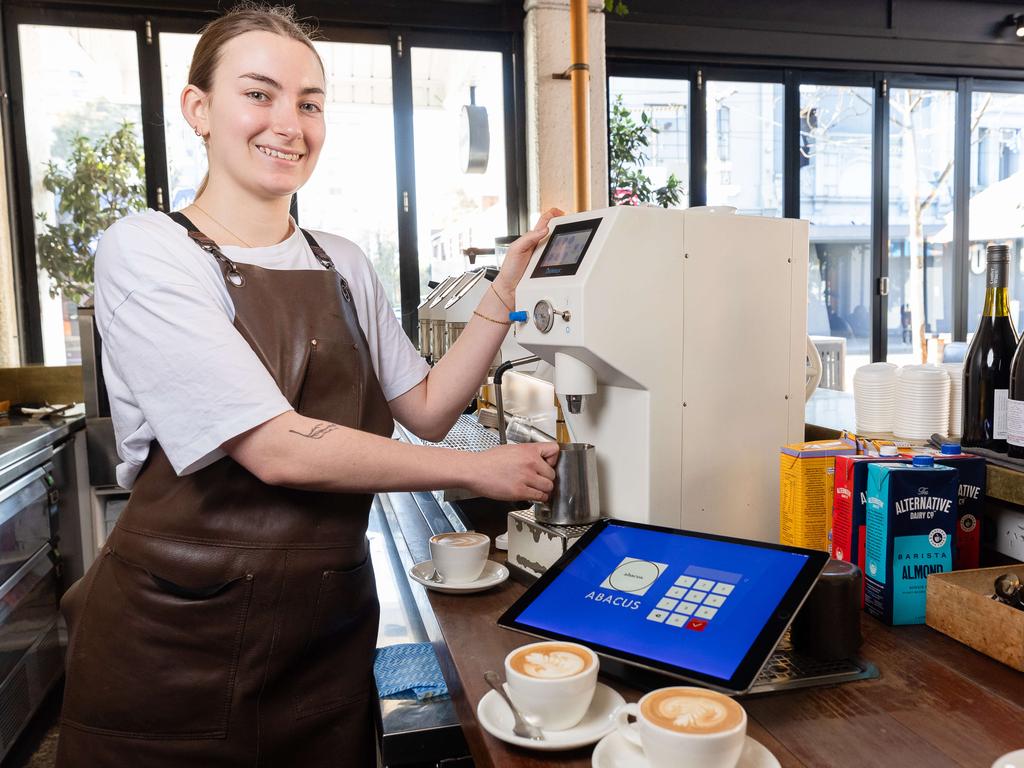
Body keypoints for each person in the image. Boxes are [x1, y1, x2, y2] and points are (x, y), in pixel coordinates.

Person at [55, 5, 560, 766]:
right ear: (199, 109)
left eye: (310, 103)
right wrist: (476, 467)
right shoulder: (148, 250)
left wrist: (507, 287)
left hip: (323, 633)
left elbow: (425, 409)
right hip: (174, 644)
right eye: (259, 94)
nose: (288, 123)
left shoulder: (342, 261)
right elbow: (274, 447)